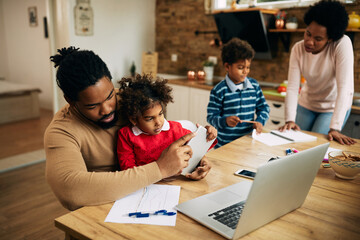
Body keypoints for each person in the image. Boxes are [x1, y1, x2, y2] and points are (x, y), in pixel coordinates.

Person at [45, 47, 211, 211]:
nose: (107, 109)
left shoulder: (131, 101)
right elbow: (71, 191)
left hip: (154, 197)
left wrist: (192, 160)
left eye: (110, 95)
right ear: (70, 101)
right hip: (101, 212)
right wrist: (159, 169)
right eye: (93, 105)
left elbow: (163, 137)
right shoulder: (61, 131)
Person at [279, 0, 356, 145]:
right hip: (307, 103)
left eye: (318, 39)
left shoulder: (341, 44)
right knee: (293, 142)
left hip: (332, 107)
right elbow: (293, 87)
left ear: (330, 38)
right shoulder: (297, 49)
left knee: (314, 146)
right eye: (308, 34)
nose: (309, 42)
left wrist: (335, 127)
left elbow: (344, 89)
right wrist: (290, 120)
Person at [117, 75, 217, 176]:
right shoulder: (126, 135)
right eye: (150, 118)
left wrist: (207, 134)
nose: (159, 122)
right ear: (134, 119)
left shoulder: (175, 129)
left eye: (160, 114)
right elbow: (128, 172)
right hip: (146, 184)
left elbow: (198, 146)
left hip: (176, 181)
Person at [207, 38, 270, 148]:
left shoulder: (254, 86)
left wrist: (260, 121)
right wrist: (225, 121)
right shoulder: (219, 90)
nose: (245, 71)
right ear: (227, 66)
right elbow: (211, 117)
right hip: (224, 145)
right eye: (240, 68)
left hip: (247, 143)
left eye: (248, 67)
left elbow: (264, 108)